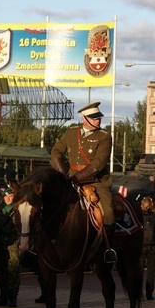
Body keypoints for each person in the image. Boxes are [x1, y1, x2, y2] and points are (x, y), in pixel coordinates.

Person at [51, 101, 116, 262]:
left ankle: (107, 249)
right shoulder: (71, 133)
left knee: (107, 212)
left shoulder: (104, 137)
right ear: (84, 119)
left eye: (98, 117)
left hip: (96, 181)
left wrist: (75, 178)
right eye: (94, 118)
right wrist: (64, 175)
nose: (98, 120)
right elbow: (56, 152)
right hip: (70, 179)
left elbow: (98, 163)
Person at [0, 186, 21, 307]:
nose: (8, 198)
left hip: (13, 245)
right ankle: (3, 295)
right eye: (6, 196)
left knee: (13, 271)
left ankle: (13, 297)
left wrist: (12, 231)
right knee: (1, 271)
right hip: (0, 245)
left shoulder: (18, 210)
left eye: (11, 196)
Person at [140, 196, 155, 300]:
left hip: (141, 246)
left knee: (139, 270)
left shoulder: (138, 216)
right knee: (151, 271)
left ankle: (138, 292)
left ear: (142, 206)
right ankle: (149, 293)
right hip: (153, 247)